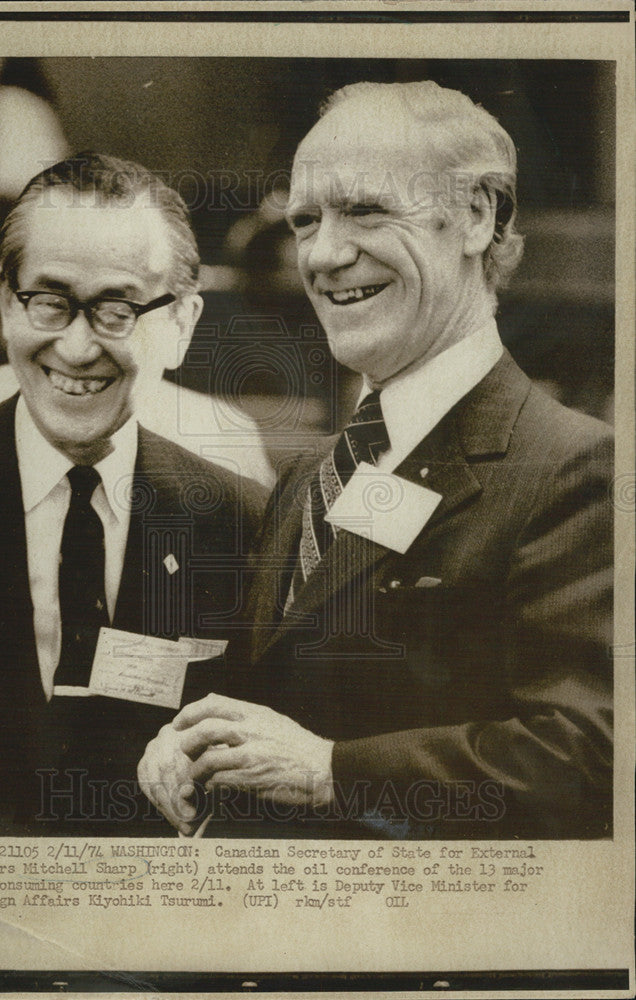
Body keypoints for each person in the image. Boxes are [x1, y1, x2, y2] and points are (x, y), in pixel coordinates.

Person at [139, 81, 614, 839]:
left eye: (365, 210)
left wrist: (333, 772)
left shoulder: (577, 471)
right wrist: (194, 744)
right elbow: (281, 700)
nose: (324, 254)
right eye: (304, 219)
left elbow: (592, 759)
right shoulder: (309, 476)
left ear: (477, 216)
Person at [0, 153, 267, 836]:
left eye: (117, 309)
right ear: (6, 305)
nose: (78, 346)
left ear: (180, 324)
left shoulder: (242, 524)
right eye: (50, 301)